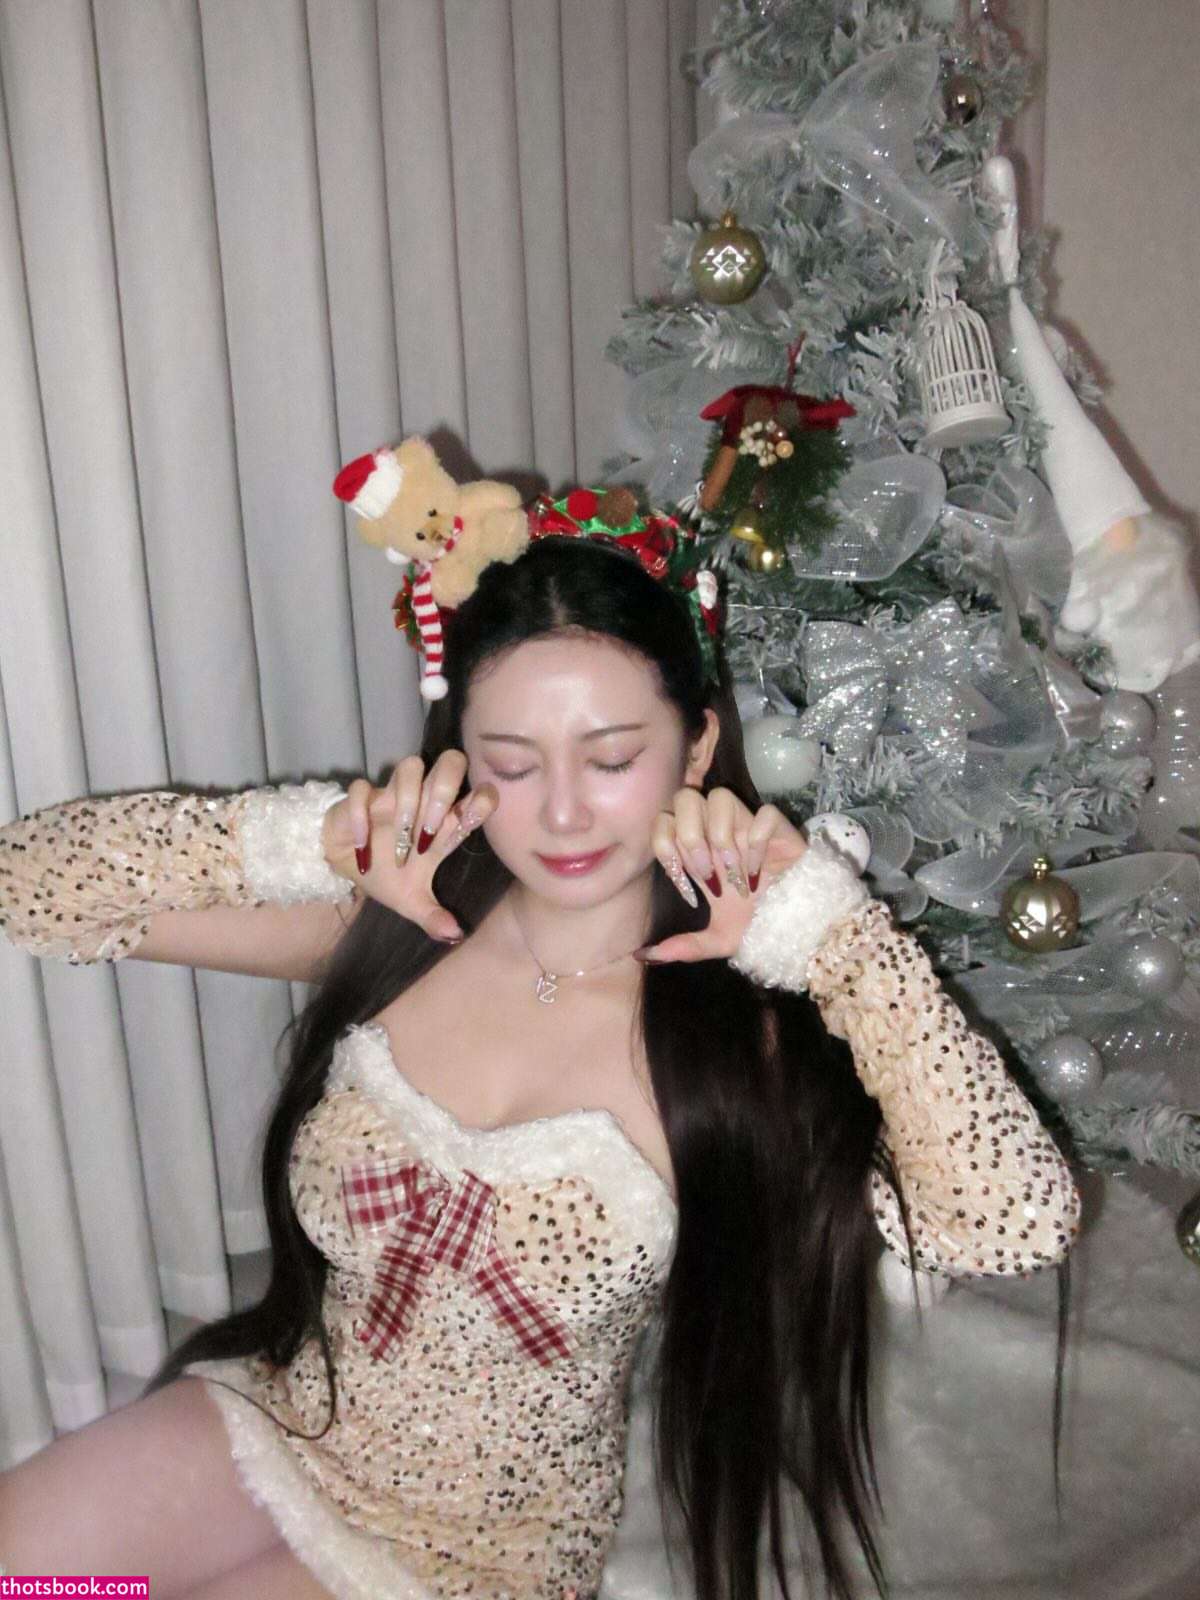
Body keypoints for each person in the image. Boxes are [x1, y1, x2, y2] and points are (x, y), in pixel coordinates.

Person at [0, 526, 1082, 1600]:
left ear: (695, 750)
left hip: (479, 1552)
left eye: (612, 760)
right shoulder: (403, 920)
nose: (563, 813)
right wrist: (307, 839)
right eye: (513, 765)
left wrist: (830, 931)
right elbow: (29, 888)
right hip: (283, 1422)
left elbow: (1014, 1221)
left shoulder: (731, 1031)